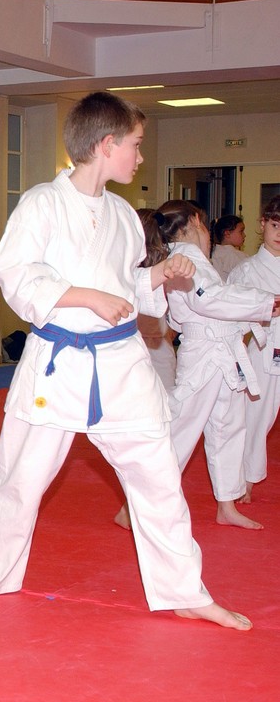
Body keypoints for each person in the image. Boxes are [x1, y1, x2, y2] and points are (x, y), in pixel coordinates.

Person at [0, 92, 250, 630]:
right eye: (135, 145)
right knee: (20, 478)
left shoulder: (125, 215)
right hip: (58, 362)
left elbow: (124, 287)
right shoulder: (42, 204)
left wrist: (155, 278)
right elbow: (14, 274)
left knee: (158, 479)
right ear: (106, 145)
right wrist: (86, 296)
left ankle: (184, 590)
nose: (140, 157)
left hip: (122, 363)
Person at [115, 200, 276, 531]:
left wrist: (258, 305)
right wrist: (264, 303)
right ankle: (132, 505)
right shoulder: (182, 260)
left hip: (222, 354)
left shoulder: (195, 260)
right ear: (192, 224)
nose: (206, 231)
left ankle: (226, 503)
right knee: (181, 429)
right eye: (202, 224)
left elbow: (219, 296)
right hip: (203, 354)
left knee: (229, 426)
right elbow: (210, 300)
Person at [228, 195, 280, 505]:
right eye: (275, 225)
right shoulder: (247, 271)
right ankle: (243, 481)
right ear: (262, 225)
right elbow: (234, 319)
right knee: (257, 419)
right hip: (265, 352)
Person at [134, 208, 177, 392]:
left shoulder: (125, 263)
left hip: (139, 340)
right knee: (165, 399)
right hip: (157, 341)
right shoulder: (168, 264)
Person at [210, 214, 248, 281]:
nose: (244, 235)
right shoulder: (240, 257)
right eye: (241, 231)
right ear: (227, 234)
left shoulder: (212, 255)